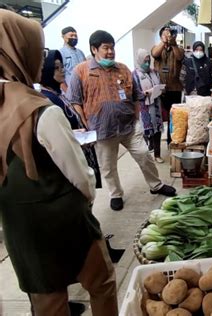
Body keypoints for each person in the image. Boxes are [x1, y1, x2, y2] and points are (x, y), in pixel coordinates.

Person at [0, 10, 118, 315]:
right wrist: (88, 197)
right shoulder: (40, 111)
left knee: (48, 302)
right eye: (35, 50)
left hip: (19, 227)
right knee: (101, 283)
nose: (41, 59)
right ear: (18, 52)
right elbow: (79, 175)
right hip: (63, 222)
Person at [68, 30, 176, 211]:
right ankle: (116, 194)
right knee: (108, 167)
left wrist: (135, 117)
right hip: (102, 130)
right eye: (106, 48)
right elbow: (75, 101)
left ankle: (156, 185)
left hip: (128, 127)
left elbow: (135, 95)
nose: (110, 52)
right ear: (94, 49)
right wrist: (85, 124)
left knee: (143, 155)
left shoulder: (123, 69)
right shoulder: (81, 71)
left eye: (112, 48)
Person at [40, 49, 102, 189]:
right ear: (46, 71)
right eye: (56, 68)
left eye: (62, 67)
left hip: (81, 147)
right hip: (72, 155)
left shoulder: (57, 92)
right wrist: (75, 136)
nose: (62, 71)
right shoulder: (47, 99)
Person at [151, 26, 185, 145]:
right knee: (158, 117)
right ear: (160, 37)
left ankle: (172, 140)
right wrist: (163, 42)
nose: (167, 37)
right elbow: (155, 54)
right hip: (159, 89)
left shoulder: (178, 49)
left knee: (174, 116)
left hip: (175, 89)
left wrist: (173, 44)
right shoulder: (157, 48)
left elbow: (180, 57)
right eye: (164, 34)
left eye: (169, 34)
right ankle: (155, 146)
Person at [132, 48, 165, 163]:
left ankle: (157, 154)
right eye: (144, 61)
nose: (147, 63)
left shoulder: (154, 72)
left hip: (156, 105)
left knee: (157, 131)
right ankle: (146, 156)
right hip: (144, 107)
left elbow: (159, 84)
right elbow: (134, 93)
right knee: (146, 131)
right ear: (139, 60)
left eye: (148, 60)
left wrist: (159, 89)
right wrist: (144, 93)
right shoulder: (135, 75)